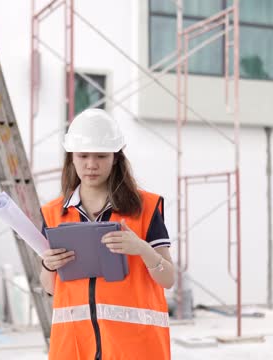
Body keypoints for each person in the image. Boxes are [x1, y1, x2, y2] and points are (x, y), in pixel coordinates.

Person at [39, 109, 174, 360]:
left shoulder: (145, 208)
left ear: (115, 158)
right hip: (75, 347)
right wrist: (49, 265)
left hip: (135, 348)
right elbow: (50, 288)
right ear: (71, 158)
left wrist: (142, 248)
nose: (91, 164)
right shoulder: (53, 213)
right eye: (83, 156)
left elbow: (168, 279)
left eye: (101, 156)